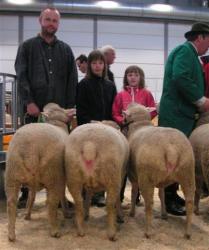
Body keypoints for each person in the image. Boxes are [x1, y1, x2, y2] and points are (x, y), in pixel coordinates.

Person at [15, 7, 78, 208]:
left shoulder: (66, 50)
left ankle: (59, 195)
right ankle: (27, 193)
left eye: (55, 21)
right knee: (30, 153)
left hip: (60, 116)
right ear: (40, 20)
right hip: (34, 111)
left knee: (59, 156)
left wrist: (69, 109)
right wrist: (29, 102)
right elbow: (21, 76)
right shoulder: (27, 47)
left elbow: (72, 80)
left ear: (58, 24)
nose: (51, 24)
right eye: (48, 20)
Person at [159, 22, 209, 216]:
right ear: (201, 37)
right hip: (176, 114)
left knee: (177, 156)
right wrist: (200, 100)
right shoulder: (185, 51)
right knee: (173, 155)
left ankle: (172, 194)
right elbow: (180, 76)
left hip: (181, 113)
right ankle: (169, 198)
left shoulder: (191, 54)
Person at [76, 49, 117, 206]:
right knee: (87, 161)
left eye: (101, 63)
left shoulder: (110, 86)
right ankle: (85, 193)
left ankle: (100, 193)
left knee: (103, 161)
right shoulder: (83, 85)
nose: (98, 66)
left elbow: (114, 109)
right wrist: (92, 123)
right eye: (94, 63)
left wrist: (111, 123)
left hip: (107, 131)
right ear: (89, 65)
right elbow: (81, 110)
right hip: (89, 130)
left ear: (104, 65)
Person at [112, 65, 157, 205]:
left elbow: (153, 110)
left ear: (140, 77)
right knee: (124, 163)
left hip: (143, 135)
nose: (133, 77)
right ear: (126, 77)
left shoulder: (147, 94)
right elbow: (115, 113)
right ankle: (118, 196)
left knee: (140, 162)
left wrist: (143, 118)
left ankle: (137, 195)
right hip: (126, 133)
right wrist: (124, 121)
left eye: (136, 75)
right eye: (130, 75)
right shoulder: (120, 95)